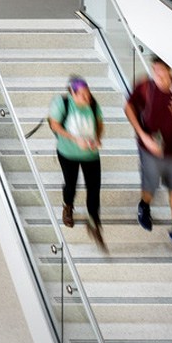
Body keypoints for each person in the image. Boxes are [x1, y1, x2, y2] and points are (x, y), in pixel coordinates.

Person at [124, 53, 172, 263]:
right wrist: (142, 135)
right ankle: (144, 205)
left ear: (169, 71)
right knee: (151, 186)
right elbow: (128, 108)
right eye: (154, 70)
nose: (156, 74)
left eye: (161, 70)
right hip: (149, 148)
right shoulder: (145, 87)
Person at [46, 76, 106, 247]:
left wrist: (97, 138)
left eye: (88, 94)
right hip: (68, 153)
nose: (87, 98)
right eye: (82, 95)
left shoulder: (93, 103)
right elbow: (54, 124)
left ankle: (94, 223)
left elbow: (100, 123)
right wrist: (74, 139)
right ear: (72, 93)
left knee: (94, 188)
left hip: (91, 155)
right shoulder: (62, 103)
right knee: (71, 184)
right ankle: (68, 205)